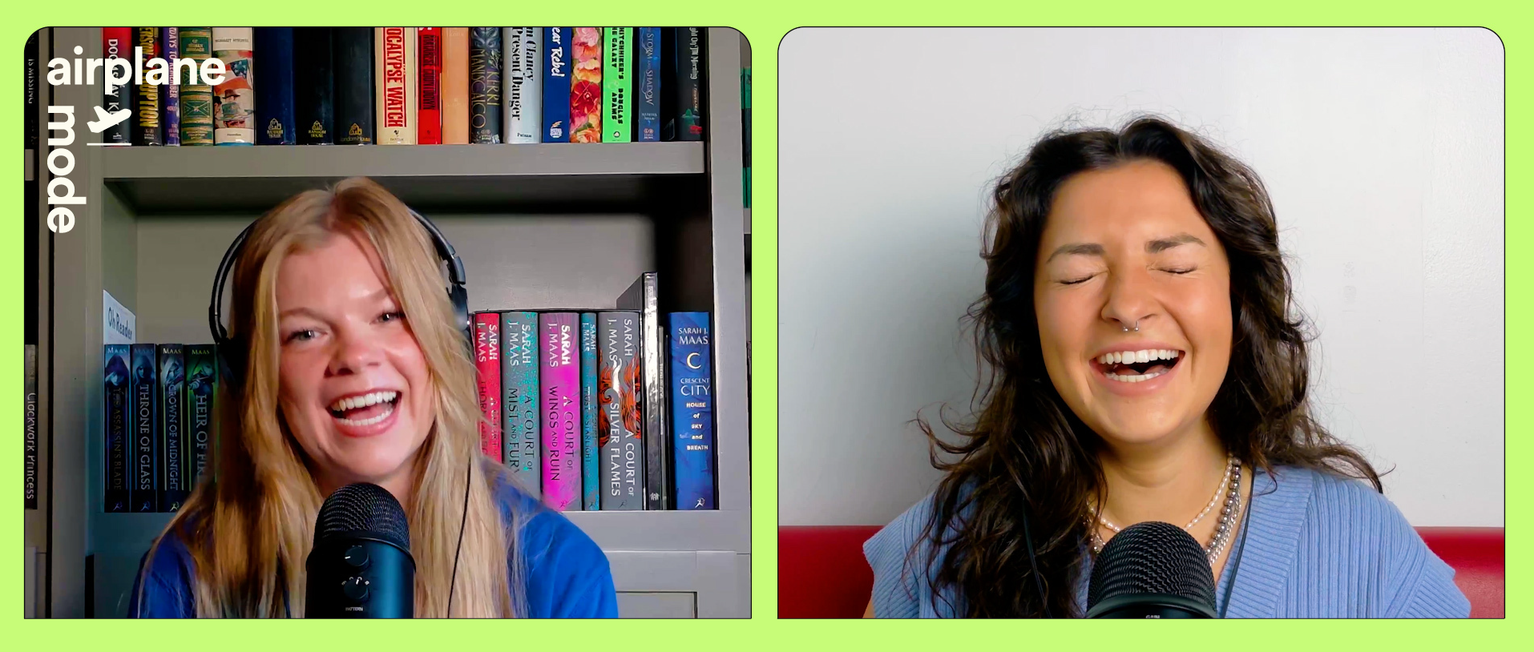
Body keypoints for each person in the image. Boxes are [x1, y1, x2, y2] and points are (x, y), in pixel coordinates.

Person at [863, 117, 1470, 618]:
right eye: (1078, 275)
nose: (1127, 306)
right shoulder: (938, 552)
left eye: (1175, 266)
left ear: (1238, 301)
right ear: (1030, 320)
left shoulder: (1369, 550)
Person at [130, 177, 617, 618]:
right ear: (255, 376)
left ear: (445, 336)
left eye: (388, 316)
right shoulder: (185, 575)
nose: (356, 358)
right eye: (304, 333)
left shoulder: (560, 571)